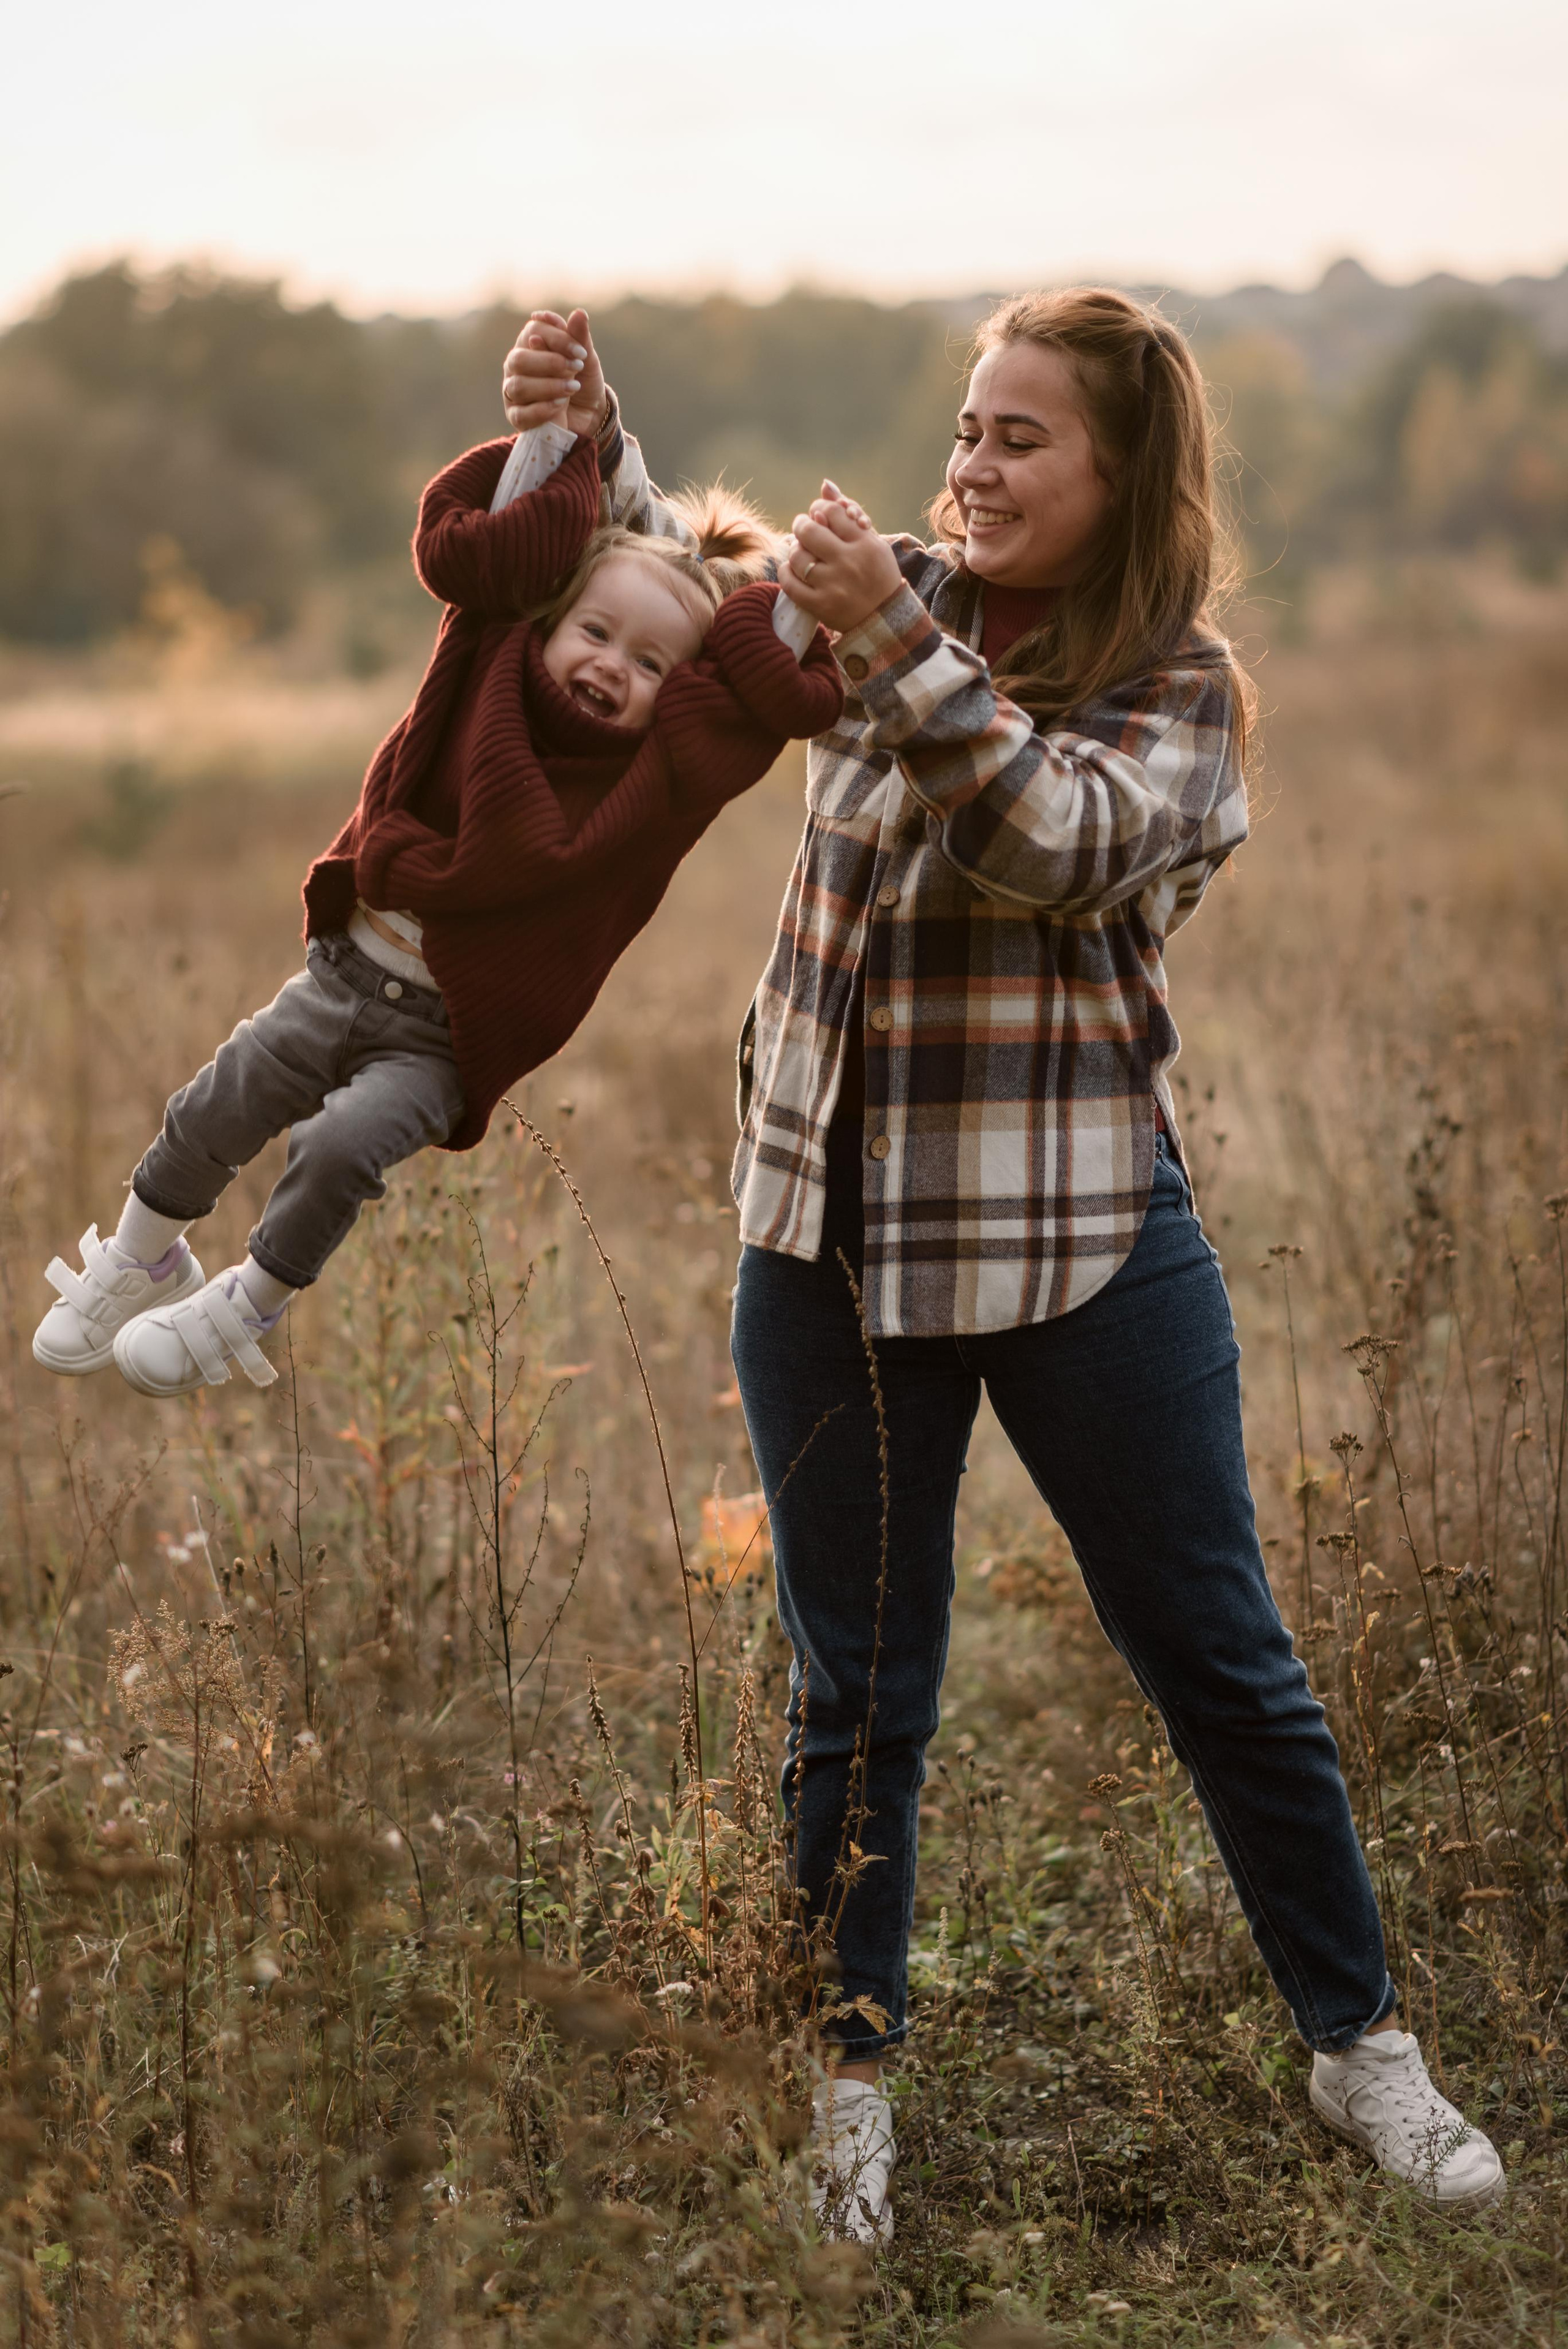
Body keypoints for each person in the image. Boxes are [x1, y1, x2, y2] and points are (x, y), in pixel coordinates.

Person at [503, 291, 1506, 2242]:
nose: (968, 467)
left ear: (1126, 473)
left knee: (1224, 1664)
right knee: (855, 1692)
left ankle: (1358, 2042)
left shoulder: (1182, 692)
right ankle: (843, 2083)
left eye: (1021, 437)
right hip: (827, 1251)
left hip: (1077, 1245)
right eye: (965, 430)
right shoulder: (897, 608)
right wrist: (589, 431)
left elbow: (1048, 832)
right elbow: (681, 586)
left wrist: (885, 625)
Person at [32, 339, 842, 1397]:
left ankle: (248, 1306)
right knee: (214, 1102)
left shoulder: (657, 785)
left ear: (675, 694)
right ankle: (142, 1251)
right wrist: (569, 428)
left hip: (444, 1039)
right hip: (341, 979)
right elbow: (526, 540)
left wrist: (809, 590)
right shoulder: (490, 655)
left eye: (650, 665)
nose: (613, 666)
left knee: (338, 1148)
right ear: (550, 623)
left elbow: (755, 692)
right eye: (596, 633)